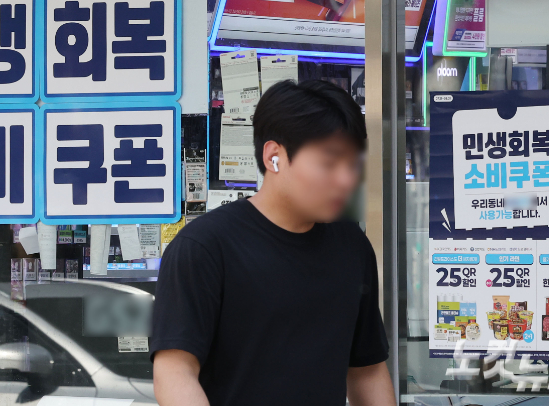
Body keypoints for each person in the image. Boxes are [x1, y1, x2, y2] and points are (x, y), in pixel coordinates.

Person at [151, 79, 396, 406]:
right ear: (274, 157)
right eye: (329, 163)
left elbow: (367, 370)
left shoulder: (352, 245)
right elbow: (174, 373)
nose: (346, 179)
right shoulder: (204, 247)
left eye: (352, 165)